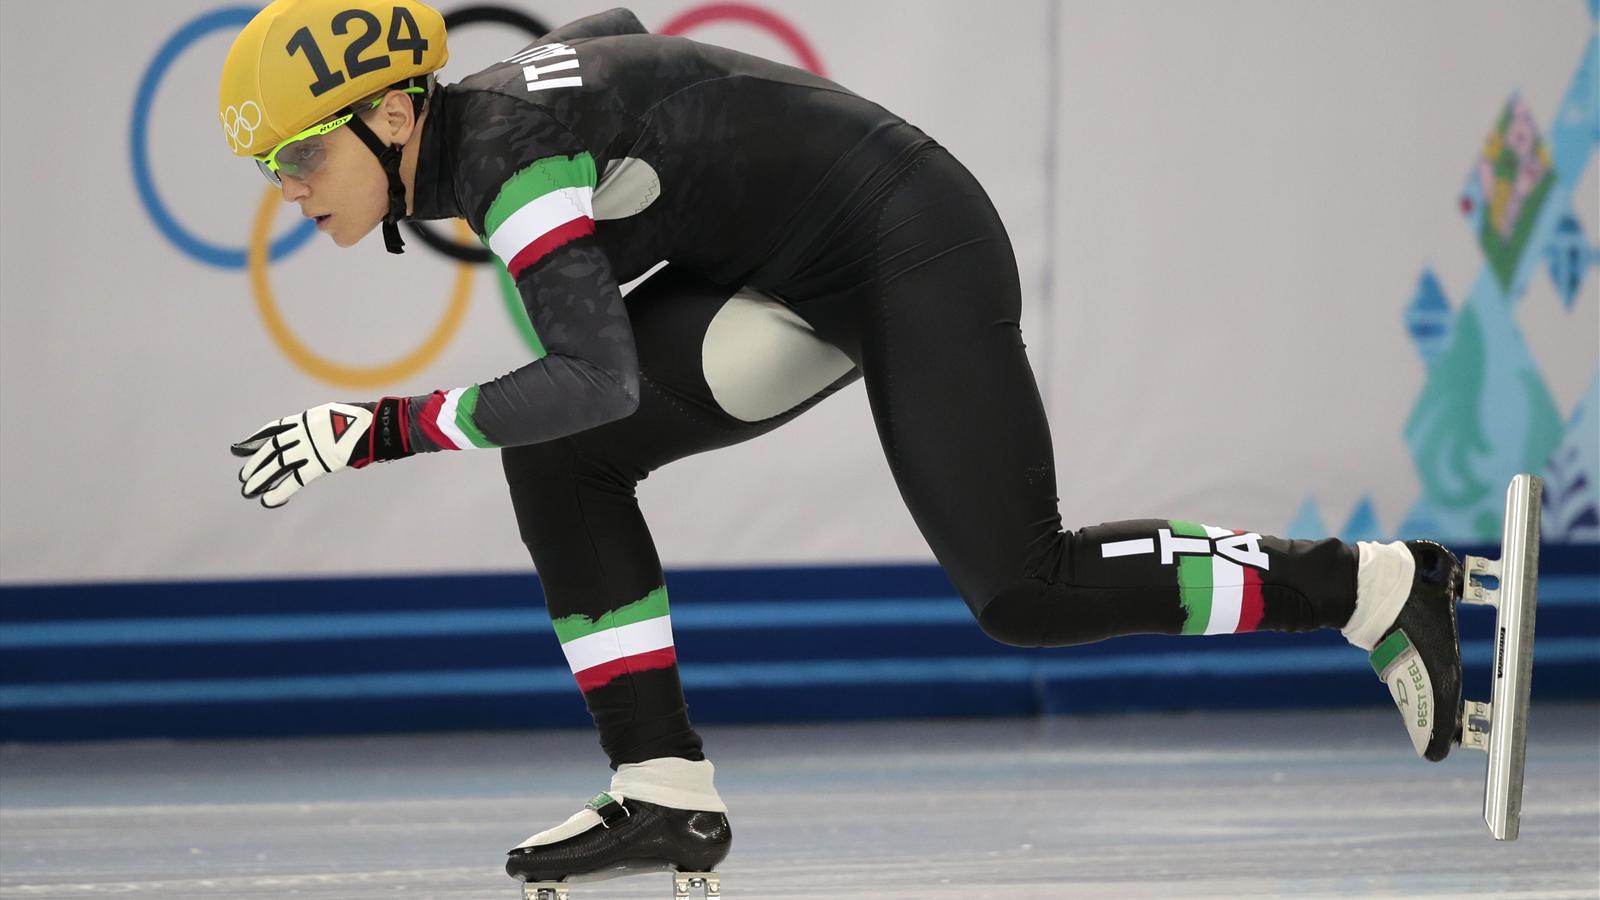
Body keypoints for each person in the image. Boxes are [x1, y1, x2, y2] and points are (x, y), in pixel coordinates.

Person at [219, 1, 1467, 891]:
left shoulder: (510, 161)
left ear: (389, 113)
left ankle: (1368, 587)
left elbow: (593, 376)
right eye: (268, 166)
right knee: (554, 459)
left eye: (296, 154)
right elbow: (606, 29)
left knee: (1023, 589)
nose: (285, 186)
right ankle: (661, 789)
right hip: (781, 265)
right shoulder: (494, 115)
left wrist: (369, 431)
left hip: (906, 239)